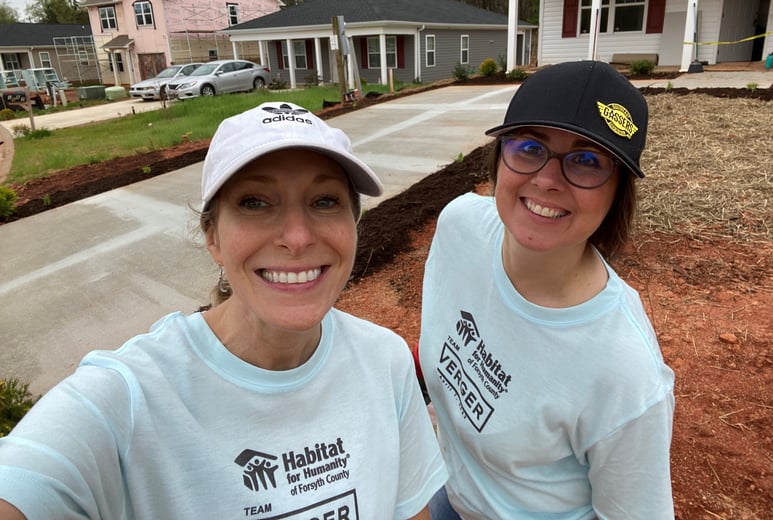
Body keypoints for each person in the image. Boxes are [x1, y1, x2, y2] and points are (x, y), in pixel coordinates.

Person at [0, 102, 448, 520]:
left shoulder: (384, 361)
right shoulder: (128, 399)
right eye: (255, 202)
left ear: (353, 223)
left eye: (324, 201)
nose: (296, 236)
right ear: (212, 236)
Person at [417, 61, 675, 518]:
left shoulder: (624, 373)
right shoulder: (459, 227)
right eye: (530, 146)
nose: (547, 179)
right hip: (445, 491)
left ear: (617, 192)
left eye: (587, 160)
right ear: (499, 157)